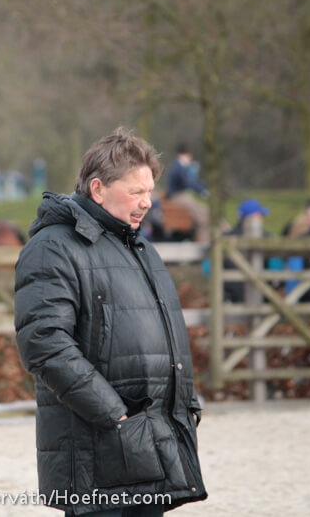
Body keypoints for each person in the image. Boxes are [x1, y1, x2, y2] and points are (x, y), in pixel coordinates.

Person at [15, 128, 207, 516]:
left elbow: (165, 334)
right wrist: (113, 414)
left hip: (152, 440)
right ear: (98, 189)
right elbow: (44, 342)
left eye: (149, 191)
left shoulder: (139, 247)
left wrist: (186, 404)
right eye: (135, 192)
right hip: (96, 447)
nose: (147, 202)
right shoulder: (53, 247)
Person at [222, 198, 274, 303]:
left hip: (229, 298)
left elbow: (207, 269)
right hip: (262, 296)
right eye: (260, 215)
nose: (262, 218)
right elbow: (275, 267)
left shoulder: (224, 238)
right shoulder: (267, 237)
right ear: (254, 217)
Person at [165, 143, 209, 242]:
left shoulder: (177, 166)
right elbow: (188, 182)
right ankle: (204, 242)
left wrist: (202, 187)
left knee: (202, 212)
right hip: (178, 196)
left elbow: (191, 181)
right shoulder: (179, 167)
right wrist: (202, 191)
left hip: (179, 196)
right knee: (203, 216)